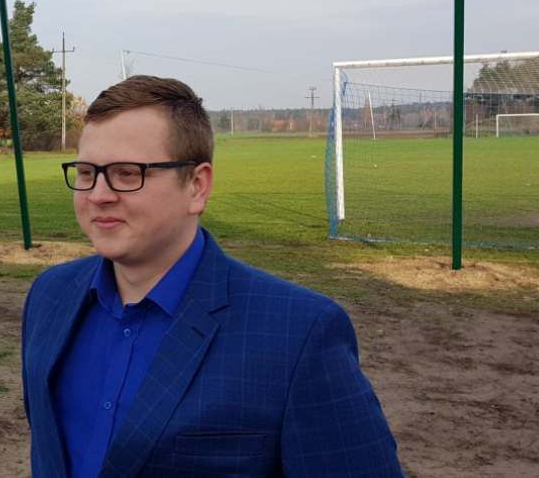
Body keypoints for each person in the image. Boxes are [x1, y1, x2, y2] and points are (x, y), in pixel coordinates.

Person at [21, 75, 402, 477]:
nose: (98, 195)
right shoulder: (50, 296)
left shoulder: (300, 335)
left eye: (127, 173)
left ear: (197, 187)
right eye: (86, 173)